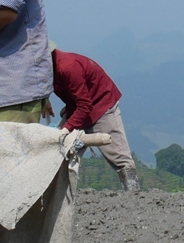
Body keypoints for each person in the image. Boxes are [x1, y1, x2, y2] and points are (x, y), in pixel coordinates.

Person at [53, 48, 140, 191]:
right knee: (57, 148)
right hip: (75, 107)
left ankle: (134, 195)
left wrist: (65, 129)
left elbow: (84, 105)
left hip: (101, 105)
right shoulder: (43, 68)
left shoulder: (67, 67)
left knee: (119, 158)